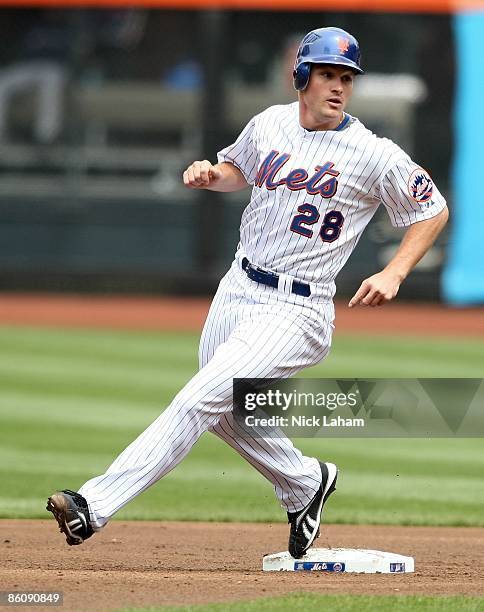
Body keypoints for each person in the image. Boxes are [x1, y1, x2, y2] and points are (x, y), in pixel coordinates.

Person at [47, 27, 448, 559]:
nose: (337, 86)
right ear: (302, 76)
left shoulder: (372, 153)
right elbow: (239, 170)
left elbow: (432, 208)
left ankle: (91, 505)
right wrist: (211, 173)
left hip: (296, 308)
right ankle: (305, 482)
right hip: (237, 288)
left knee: (197, 398)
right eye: (327, 73)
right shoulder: (270, 122)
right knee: (224, 412)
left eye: (346, 77)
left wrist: (395, 271)